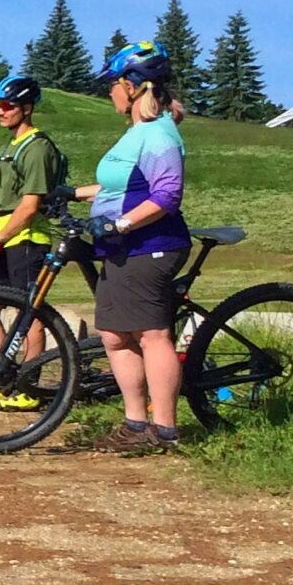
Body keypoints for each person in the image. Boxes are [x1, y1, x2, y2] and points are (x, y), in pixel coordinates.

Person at [77, 41, 190, 454]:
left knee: (152, 334)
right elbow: (117, 187)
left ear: (135, 85)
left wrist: (120, 223)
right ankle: (134, 423)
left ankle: (163, 430)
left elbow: (166, 196)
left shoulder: (159, 133)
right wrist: (71, 193)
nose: (110, 92)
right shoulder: (137, 133)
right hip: (120, 246)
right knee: (113, 335)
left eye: (113, 84)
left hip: (151, 245)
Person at [0, 74, 69, 407]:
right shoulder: (6, 148)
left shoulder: (38, 148)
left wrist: (1, 236)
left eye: (7, 105)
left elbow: (29, 207)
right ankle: (4, 381)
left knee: (30, 317)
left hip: (26, 239)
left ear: (27, 108)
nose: (0, 111)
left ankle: (28, 389)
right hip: (1, 238)